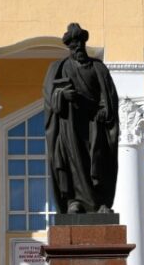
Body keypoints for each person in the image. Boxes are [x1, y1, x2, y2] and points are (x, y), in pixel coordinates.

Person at [43, 22, 119, 214]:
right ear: (69, 47)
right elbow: (50, 98)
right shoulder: (59, 68)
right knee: (73, 161)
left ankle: (100, 202)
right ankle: (73, 201)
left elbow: (109, 96)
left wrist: (104, 110)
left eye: (80, 43)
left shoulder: (98, 68)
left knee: (98, 161)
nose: (77, 47)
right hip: (69, 125)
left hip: (95, 124)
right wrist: (62, 96)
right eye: (73, 45)